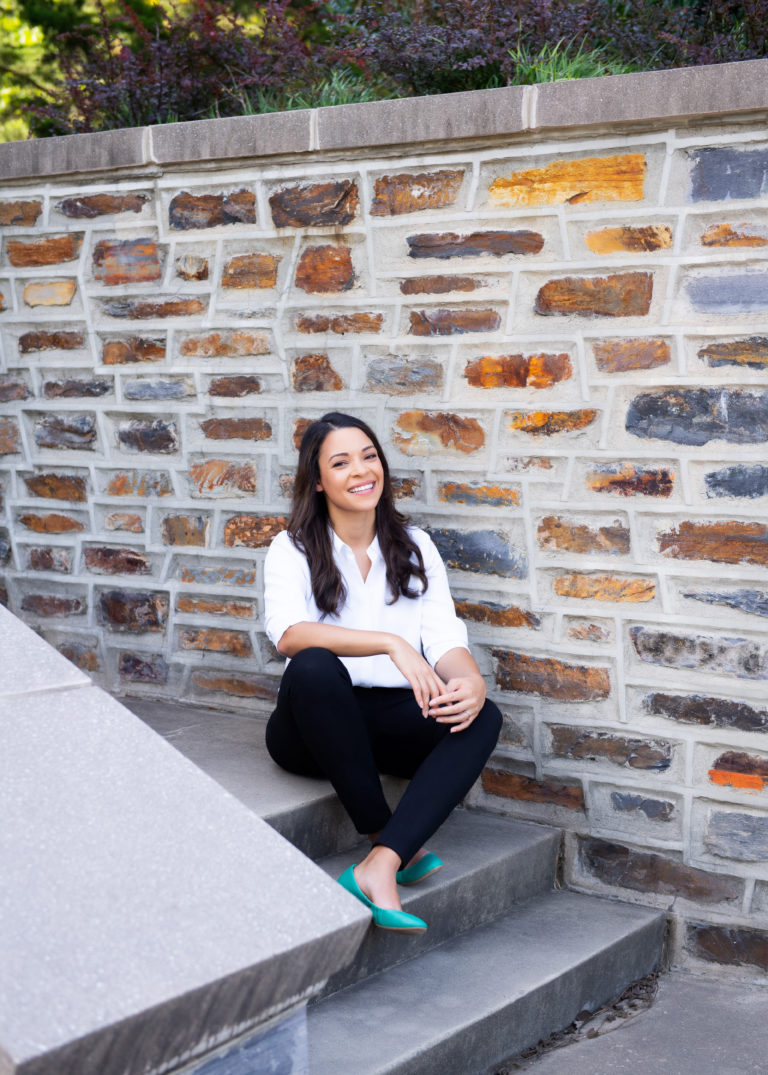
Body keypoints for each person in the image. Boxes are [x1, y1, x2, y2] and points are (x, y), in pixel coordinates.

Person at [263, 412, 502, 934]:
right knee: (314, 666)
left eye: (369, 456)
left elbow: (444, 639)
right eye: (341, 462)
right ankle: (382, 833)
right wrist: (390, 643)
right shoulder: (293, 548)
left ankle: (383, 862)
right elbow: (288, 634)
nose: (361, 470)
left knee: (483, 716)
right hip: (311, 723)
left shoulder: (414, 546)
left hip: (388, 722)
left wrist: (471, 682)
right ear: (318, 479)